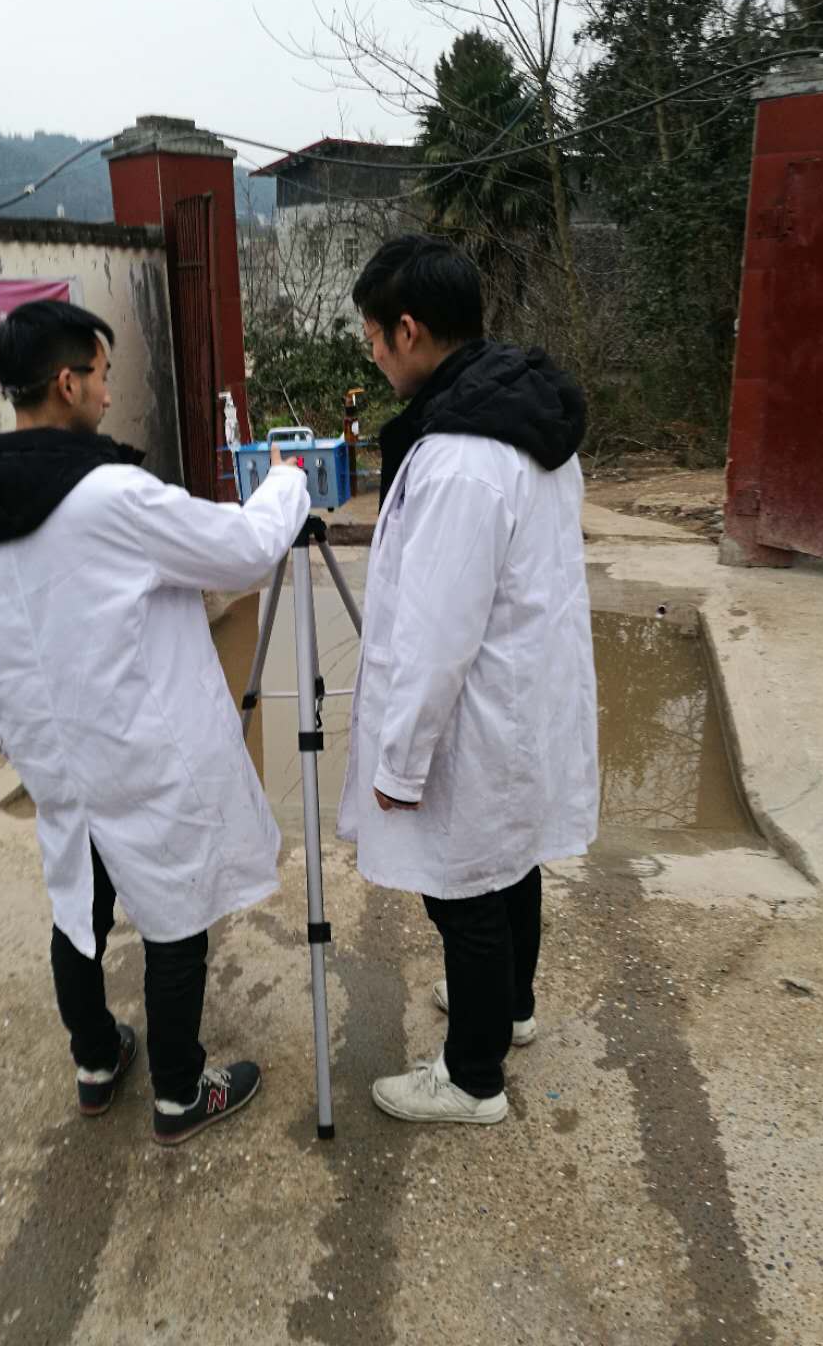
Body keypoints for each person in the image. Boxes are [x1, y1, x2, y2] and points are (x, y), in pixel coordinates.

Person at [0, 300, 308, 1146]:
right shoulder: (110, 497)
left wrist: (19, 744)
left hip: (57, 759)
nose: (108, 392)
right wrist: (285, 481)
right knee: (176, 913)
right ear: (66, 383)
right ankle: (179, 1092)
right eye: (101, 376)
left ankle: (97, 1061)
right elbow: (246, 549)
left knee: (78, 908)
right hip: (142, 751)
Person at [337, 235, 598, 1125]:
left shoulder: (459, 458)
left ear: (408, 330)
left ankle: (472, 1078)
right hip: (519, 695)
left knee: (463, 891)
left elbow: (436, 637)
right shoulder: (523, 414)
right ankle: (509, 1007)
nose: (374, 354)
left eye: (374, 337)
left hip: (477, 710)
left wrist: (400, 763)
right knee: (508, 859)